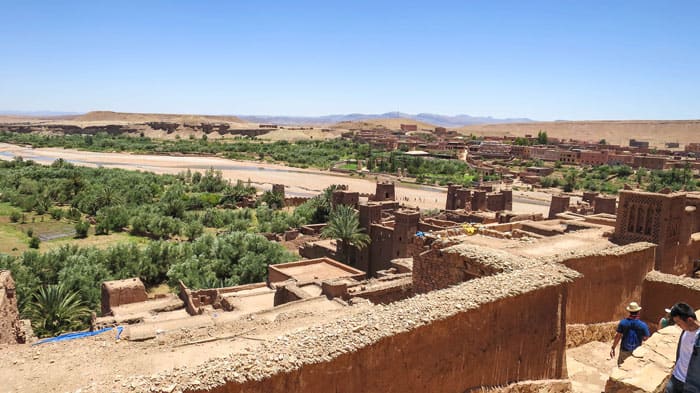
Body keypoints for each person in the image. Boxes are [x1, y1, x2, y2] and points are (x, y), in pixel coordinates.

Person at [665, 303, 700, 393]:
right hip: (675, 379)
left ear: (689, 320)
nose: (678, 326)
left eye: (679, 323)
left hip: (692, 385)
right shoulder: (685, 331)